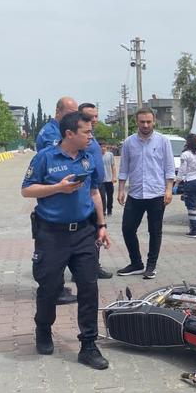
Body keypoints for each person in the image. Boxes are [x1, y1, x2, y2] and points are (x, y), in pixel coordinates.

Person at [21, 111, 111, 369]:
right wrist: (57, 188)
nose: (91, 136)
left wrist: (102, 225)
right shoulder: (45, 158)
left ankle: (88, 345)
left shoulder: (88, 159)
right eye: (87, 132)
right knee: (49, 287)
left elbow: (94, 192)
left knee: (88, 287)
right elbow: (27, 189)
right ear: (69, 133)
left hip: (84, 232)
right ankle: (43, 328)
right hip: (52, 234)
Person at [116, 108, 175, 279]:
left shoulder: (163, 141)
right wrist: (120, 189)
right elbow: (124, 167)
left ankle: (151, 265)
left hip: (157, 194)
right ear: (136, 121)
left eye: (149, 121)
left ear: (154, 121)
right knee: (127, 229)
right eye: (142, 121)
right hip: (135, 194)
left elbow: (169, 168)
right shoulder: (129, 143)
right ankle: (136, 263)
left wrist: (169, 189)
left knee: (155, 231)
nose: (145, 125)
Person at [35, 97, 80, 304]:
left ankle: (58, 286)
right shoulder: (50, 134)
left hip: (68, 195)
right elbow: (54, 159)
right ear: (58, 111)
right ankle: (54, 289)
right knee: (53, 252)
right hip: (55, 197)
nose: (74, 116)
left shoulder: (59, 129)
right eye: (70, 112)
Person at [77, 102, 113, 279]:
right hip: (89, 190)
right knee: (91, 230)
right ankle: (86, 267)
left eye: (96, 116)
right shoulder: (82, 138)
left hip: (99, 187)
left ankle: (93, 264)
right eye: (91, 116)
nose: (95, 119)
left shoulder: (92, 136)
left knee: (98, 228)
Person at [175, 133, 196, 238]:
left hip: (191, 182)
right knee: (194, 205)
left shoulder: (185, 154)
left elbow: (182, 170)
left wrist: (176, 184)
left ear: (187, 142)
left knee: (191, 207)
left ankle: (194, 231)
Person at [99, 143, 117, 216]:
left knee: (110, 196)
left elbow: (113, 166)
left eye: (104, 147)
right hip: (101, 180)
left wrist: (114, 176)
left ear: (107, 147)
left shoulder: (110, 155)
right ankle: (103, 211)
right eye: (101, 147)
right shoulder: (97, 155)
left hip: (109, 180)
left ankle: (109, 209)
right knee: (102, 196)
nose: (103, 148)